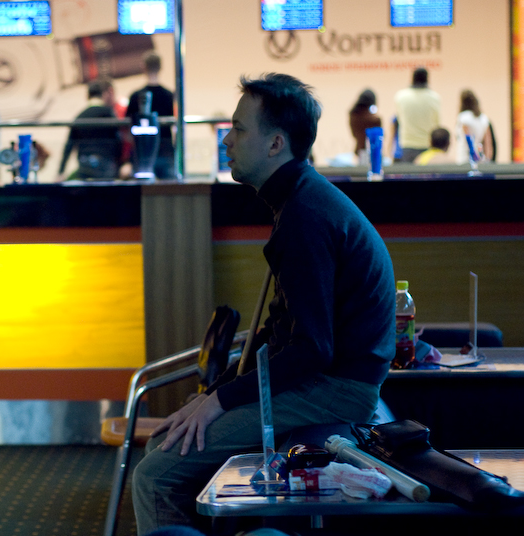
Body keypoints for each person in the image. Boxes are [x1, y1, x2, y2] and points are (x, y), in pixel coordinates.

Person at [131, 73, 396, 535]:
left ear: (275, 144)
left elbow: (312, 350)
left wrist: (221, 399)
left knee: (154, 476)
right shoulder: (302, 201)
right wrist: (216, 396)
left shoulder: (304, 218)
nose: (226, 140)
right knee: (164, 448)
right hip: (330, 382)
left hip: (336, 390)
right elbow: (286, 336)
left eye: (238, 129)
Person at [58, 78, 122, 180]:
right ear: (102, 95)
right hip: (105, 164)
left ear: (87, 96)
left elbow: (69, 146)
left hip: (85, 165)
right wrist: (120, 164)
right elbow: (117, 139)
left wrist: (60, 172)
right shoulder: (108, 113)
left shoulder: (80, 117)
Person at [126, 51, 176, 179]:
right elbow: (174, 125)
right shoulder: (168, 96)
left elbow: (128, 126)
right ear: (160, 67)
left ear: (144, 67)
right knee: (169, 187)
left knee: (142, 186)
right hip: (165, 150)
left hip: (141, 151)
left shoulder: (136, 96)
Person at [393, 67, 441, 163]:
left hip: (407, 144)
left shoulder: (401, 97)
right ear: (427, 79)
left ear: (412, 78)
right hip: (427, 145)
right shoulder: (435, 98)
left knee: (408, 172)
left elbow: (399, 119)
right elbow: (437, 124)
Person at [454, 89, 494, 164]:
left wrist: (473, 154)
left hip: (464, 157)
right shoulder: (484, 118)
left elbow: (468, 138)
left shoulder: (463, 117)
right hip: (480, 157)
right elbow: (488, 142)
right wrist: (488, 159)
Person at [348, 89, 382, 166]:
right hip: (370, 151)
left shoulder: (353, 115)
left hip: (359, 149)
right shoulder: (373, 119)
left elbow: (354, 134)